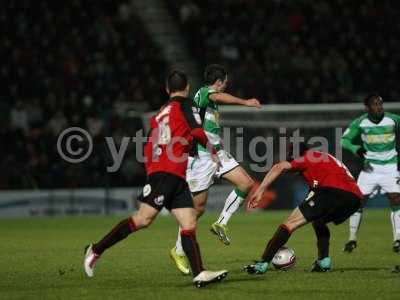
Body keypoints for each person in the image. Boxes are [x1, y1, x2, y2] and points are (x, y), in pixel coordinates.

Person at [83, 70, 228, 287]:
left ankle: (199, 273)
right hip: (167, 172)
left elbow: (152, 144)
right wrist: (213, 151)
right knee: (143, 219)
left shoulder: (160, 113)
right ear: (187, 88)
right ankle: (95, 249)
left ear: (167, 89)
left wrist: (153, 168)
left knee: (188, 221)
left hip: (172, 173)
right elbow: (198, 132)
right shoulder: (186, 105)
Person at [170, 64, 261, 275]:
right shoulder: (204, 93)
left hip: (218, 152)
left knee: (246, 183)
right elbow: (217, 97)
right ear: (219, 82)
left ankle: (221, 223)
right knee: (197, 208)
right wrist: (245, 102)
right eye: (225, 82)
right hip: (202, 155)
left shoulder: (211, 103)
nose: (226, 85)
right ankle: (178, 249)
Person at [243, 142, 363, 274]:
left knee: (289, 224)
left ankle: (262, 264)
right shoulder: (325, 158)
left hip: (330, 192)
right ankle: (323, 262)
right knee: (319, 221)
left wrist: (260, 191)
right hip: (354, 199)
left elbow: (279, 167)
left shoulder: (306, 157)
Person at [342, 94, 400, 253]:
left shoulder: (394, 119)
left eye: (380, 103)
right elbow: (344, 140)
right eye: (375, 104)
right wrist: (357, 149)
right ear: (367, 108)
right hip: (370, 169)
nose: (379, 107)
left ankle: (398, 239)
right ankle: (352, 238)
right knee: (358, 201)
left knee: (396, 199)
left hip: (391, 167)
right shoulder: (360, 123)